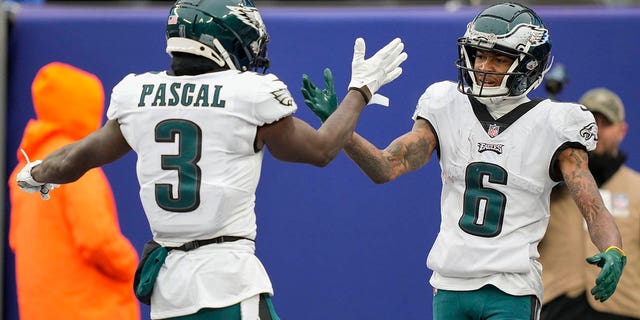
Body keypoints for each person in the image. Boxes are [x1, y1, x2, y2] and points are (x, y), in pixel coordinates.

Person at [14, 0, 407, 319]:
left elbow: (75, 159)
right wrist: (361, 90)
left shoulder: (137, 95)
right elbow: (322, 150)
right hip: (227, 281)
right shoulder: (247, 94)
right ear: (218, 40)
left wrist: (35, 172)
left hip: (167, 290)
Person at [301, 2, 626, 319]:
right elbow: (387, 166)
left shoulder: (556, 121)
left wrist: (613, 248)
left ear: (529, 65)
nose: (484, 66)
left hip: (511, 286)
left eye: (499, 58)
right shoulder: (446, 102)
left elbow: (593, 206)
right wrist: (342, 130)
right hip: (450, 283)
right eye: (480, 54)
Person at [8, 62, 140, 320]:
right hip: (90, 310)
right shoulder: (75, 166)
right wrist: (131, 265)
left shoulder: (26, 169)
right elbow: (97, 239)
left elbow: (16, 242)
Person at [539, 88, 639, 320]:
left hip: (625, 310)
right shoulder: (549, 184)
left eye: (606, 123)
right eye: (591, 122)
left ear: (622, 130)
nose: (597, 130)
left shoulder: (637, 188)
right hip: (557, 309)